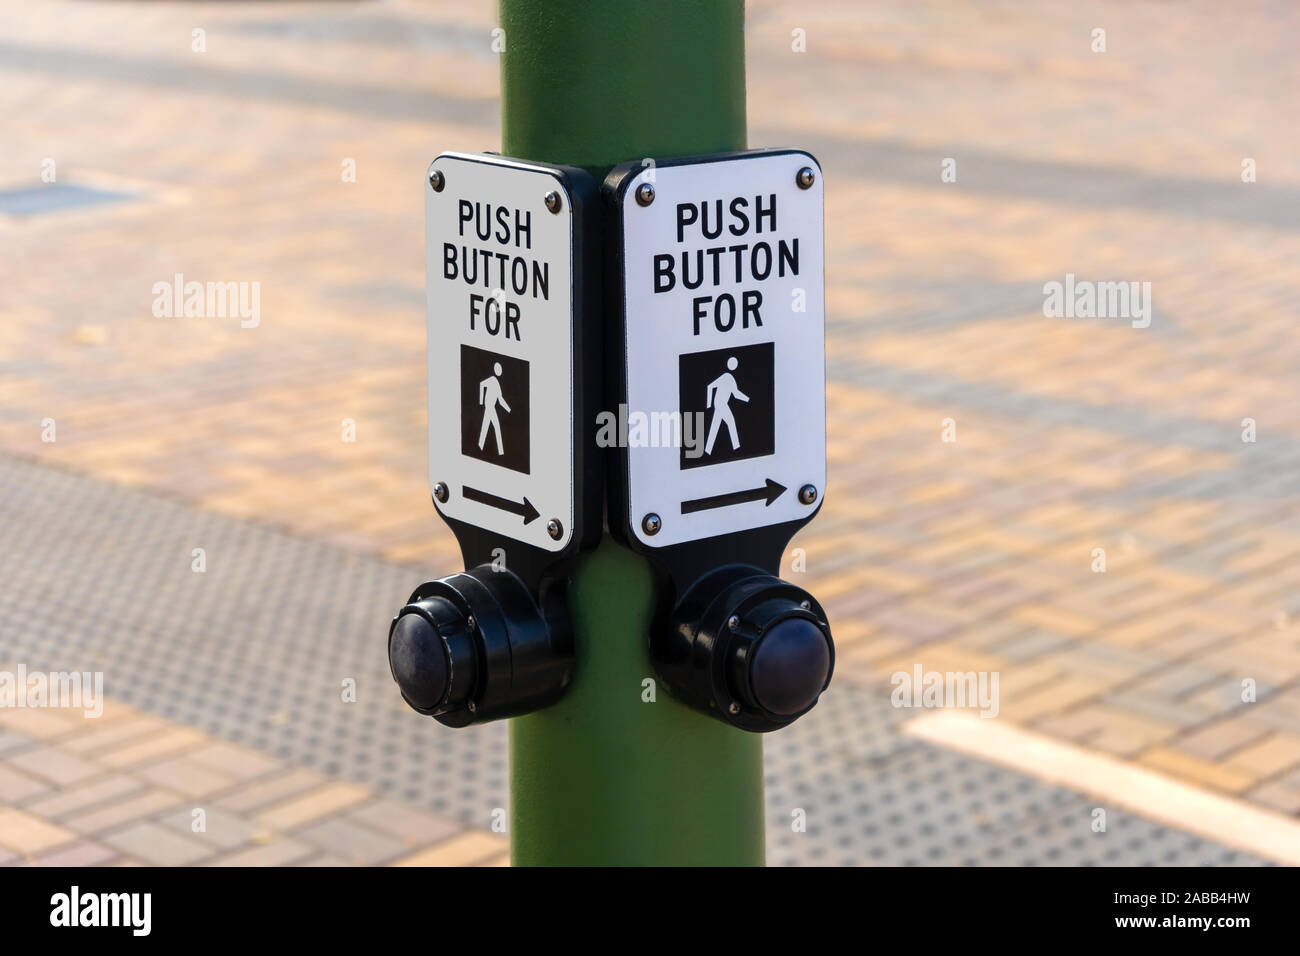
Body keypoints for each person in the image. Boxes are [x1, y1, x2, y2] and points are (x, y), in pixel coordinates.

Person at [704, 356, 748, 455]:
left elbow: (736, 394)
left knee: (714, 427)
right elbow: (710, 386)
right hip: (721, 404)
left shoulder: (731, 379)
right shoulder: (726, 376)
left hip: (720, 404)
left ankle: (708, 450)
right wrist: (708, 404)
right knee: (731, 423)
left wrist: (747, 399)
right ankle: (737, 448)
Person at [478, 362, 511, 455]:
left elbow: (500, 400)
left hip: (491, 407)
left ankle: (480, 446)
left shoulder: (498, 385)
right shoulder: (492, 379)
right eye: (498, 369)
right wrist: (481, 401)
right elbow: (481, 384)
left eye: (500, 369)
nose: (499, 371)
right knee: (496, 427)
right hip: (489, 407)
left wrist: (509, 410)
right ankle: (500, 452)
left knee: (486, 427)